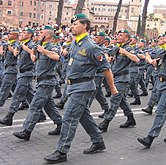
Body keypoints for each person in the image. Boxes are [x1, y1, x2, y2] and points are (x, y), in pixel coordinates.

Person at [44, 14, 118, 164]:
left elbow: (106, 69)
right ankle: (98, 141)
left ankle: (62, 151)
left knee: (69, 118)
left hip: (83, 87)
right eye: (71, 24)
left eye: (75, 24)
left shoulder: (91, 46)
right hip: (73, 86)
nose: (72, 27)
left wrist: (112, 88)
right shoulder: (75, 43)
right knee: (83, 115)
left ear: (85, 25)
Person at [13, 25, 63, 140]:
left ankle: (27, 131)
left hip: (47, 81)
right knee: (49, 105)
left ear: (48, 35)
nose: (39, 35)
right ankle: (60, 123)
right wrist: (33, 53)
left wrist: (43, 50)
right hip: (41, 81)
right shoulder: (40, 46)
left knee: (35, 106)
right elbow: (34, 59)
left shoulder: (52, 47)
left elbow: (56, 57)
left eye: (41, 33)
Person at [98, 29, 140, 132]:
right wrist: (107, 56)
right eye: (118, 34)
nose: (118, 36)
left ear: (126, 38)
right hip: (115, 77)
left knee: (115, 100)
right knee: (121, 101)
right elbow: (106, 52)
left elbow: (136, 59)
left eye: (121, 35)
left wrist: (125, 52)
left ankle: (106, 122)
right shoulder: (117, 48)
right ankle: (130, 118)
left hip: (123, 78)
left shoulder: (129, 48)